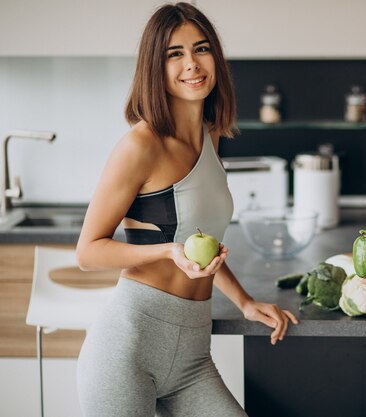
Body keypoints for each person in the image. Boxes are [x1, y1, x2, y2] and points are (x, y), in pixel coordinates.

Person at [75, 3, 297, 416]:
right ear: (153, 67)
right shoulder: (140, 145)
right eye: (174, 54)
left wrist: (245, 301)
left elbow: (204, 241)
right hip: (129, 348)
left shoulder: (210, 136)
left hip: (193, 357)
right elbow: (88, 251)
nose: (192, 64)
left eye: (201, 48)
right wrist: (166, 250)